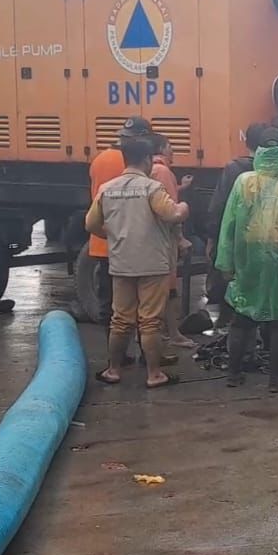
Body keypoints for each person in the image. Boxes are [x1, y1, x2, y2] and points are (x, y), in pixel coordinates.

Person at [215, 127, 278, 392]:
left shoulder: (243, 182)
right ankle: (276, 379)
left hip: (248, 258)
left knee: (243, 317)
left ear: (259, 152)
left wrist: (225, 263)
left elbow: (228, 225)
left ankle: (234, 374)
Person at [86, 134, 190, 389]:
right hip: (152, 263)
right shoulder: (151, 189)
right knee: (150, 320)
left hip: (122, 262)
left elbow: (90, 224)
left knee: (120, 319)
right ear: (146, 159)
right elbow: (172, 214)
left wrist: (114, 236)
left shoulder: (107, 189)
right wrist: (184, 207)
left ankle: (113, 370)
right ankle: (155, 374)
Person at [86, 117, 157, 322]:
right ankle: (140, 351)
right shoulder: (134, 165)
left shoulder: (100, 159)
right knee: (137, 307)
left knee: (108, 306)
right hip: (128, 246)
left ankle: (113, 351)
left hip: (102, 244)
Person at [205, 123, 269, 331]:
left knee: (231, 283)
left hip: (235, 239)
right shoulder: (275, 169)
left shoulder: (234, 169)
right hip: (265, 239)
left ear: (246, 141)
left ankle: (228, 322)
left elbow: (219, 205)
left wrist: (212, 238)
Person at [150, 135, 196, 352]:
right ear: (161, 148)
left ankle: (165, 333)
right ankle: (173, 334)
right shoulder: (163, 171)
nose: (173, 149)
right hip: (164, 238)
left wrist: (181, 186)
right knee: (169, 288)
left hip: (153, 237)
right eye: (170, 146)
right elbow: (172, 208)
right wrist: (180, 239)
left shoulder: (152, 169)